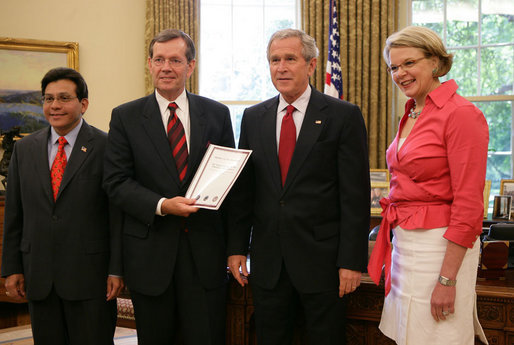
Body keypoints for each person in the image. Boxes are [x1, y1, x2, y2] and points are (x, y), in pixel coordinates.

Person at [227, 28, 370, 345]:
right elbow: (244, 192)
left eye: (290, 58)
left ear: (312, 64)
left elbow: (355, 197)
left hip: (323, 265)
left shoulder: (342, 116)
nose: (281, 67)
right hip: (268, 264)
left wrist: (351, 261)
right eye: (274, 60)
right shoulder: (254, 117)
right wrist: (237, 247)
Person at [103, 29, 234, 345]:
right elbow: (116, 183)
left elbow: (231, 181)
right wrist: (162, 205)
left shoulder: (217, 114)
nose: (166, 67)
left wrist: (236, 248)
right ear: (149, 64)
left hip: (205, 257)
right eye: (159, 59)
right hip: (150, 258)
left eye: (175, 60)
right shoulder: (126, 117)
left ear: (190, 66)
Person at [367, 26, 489, 344]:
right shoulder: (411, 112)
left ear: (434, 61)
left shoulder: (462, 114)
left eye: (409, 63)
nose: (400, 73)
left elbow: (469, 204)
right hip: (406, 244)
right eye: (394, 67)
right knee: (407, 334)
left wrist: (447, 279)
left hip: (441, 249)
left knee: (439, 336)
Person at [1, 67, 124, 345]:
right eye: (48, 98)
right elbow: (14, 214)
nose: (54, 105)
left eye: (64, 98)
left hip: (91, 278)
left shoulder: (107, 146)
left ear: (83, 104)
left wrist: (116, 269)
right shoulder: (25, 149)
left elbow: (117, 216)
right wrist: (11, 268)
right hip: (39, 277)